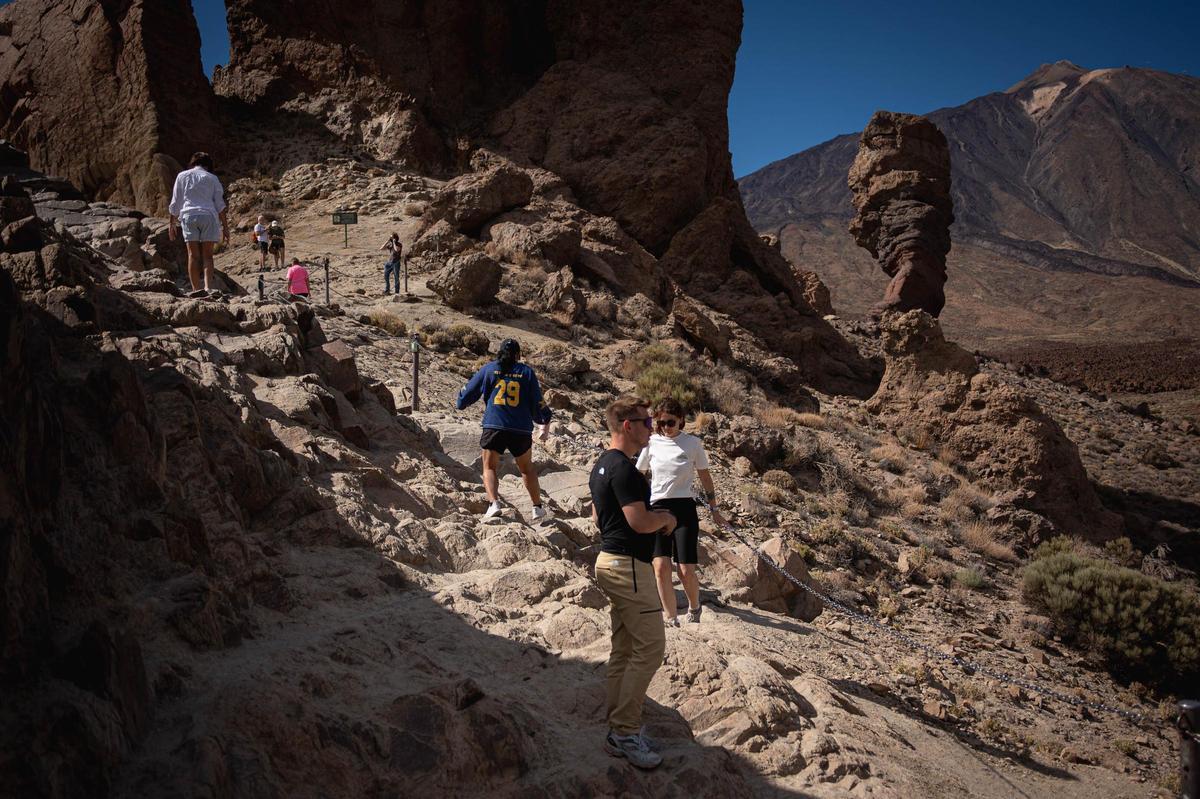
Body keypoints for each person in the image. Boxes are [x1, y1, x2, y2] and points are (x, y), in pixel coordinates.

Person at [590, 395, 678, 770]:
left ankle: (618, 724)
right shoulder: (624, 470)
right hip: (628, 566)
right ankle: (624, 733)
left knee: (624, 648)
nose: (651, 428)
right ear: (627, 425)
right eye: (645, 422)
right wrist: (665, 519)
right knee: (651, 649)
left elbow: (597, 515)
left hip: (609, 560)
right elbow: (639, 523)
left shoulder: (602, 465)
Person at [637, 398, 726, 627]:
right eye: (661, 422)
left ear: (681, 421)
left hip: (684, 508)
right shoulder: (651, 443)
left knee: (685, 569)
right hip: (657, 508)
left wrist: (714, 508)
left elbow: (705, 476)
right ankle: (670, 617)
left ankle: (694, 607)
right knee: (660, 566)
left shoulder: (692, 444)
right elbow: (639, 474)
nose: (666, 427)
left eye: (670, 422)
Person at [455, 338, 552, 522]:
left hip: (494, 425)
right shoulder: (526, 372)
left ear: (499, 352)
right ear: (518, 355)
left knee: (489, 466)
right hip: (521, 429)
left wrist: (461, 401)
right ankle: (537, 507)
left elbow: (469, 392)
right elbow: (537, 400)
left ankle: (494, 504)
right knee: (527, 469)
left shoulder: (489, 369)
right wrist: (544, 419)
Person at [167, 152, 228, 296]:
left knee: (193, 255)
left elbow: (176, 201)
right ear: (208, 165)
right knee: (208, 256)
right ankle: (208, 288)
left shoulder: (182, 176)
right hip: (208, 216)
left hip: (189, 215)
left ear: (193, 162)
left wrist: (171, 222)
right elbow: (220, 204)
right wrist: (225, 227)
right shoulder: (212, 178)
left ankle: (196, 290)